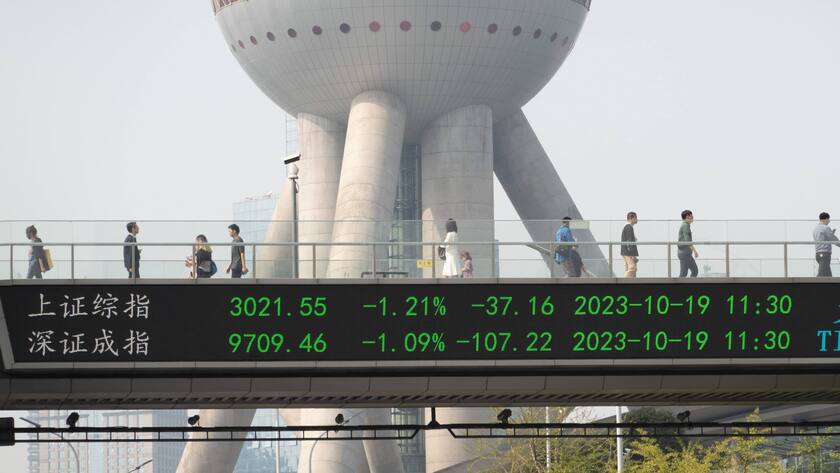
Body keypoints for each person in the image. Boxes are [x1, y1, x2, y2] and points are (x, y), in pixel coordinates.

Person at [814, 212, 840, 277]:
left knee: (827, 273)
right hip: (825, 253)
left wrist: (831, 233)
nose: (829, 221)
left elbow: (822, 238)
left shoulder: (815, 228)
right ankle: (813, 285)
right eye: (828, 219)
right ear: (825, 219)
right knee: (822, 275)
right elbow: (833, 239)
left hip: (818, 253)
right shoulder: (825, 228)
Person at [677, 210, 699, 278]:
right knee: (684, 273)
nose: (693, 217)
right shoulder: (685, 225)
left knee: (694, 271)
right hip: (684, 253)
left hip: (685, 253)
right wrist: (695, 251)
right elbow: (687, 240)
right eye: (691, 215)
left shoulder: (686, 225)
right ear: (687, 216)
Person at [621, 212, 639, 278]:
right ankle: (624, 283)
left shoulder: (627, 227)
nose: (637, 220)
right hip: (628, 252)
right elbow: (629, 242)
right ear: (632, 218)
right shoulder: (629, 227)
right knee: (632, 268)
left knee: (628, 269)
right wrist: (632, 255)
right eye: (636, 218)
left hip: (625, 252)